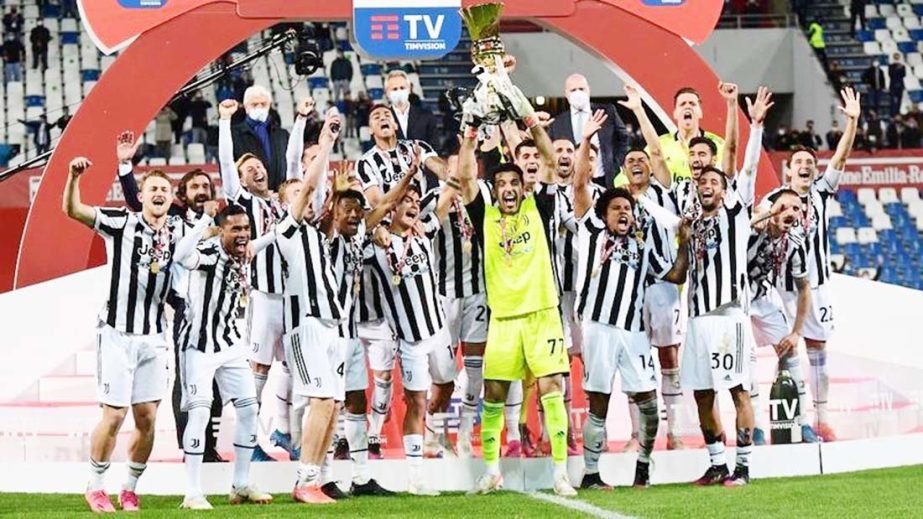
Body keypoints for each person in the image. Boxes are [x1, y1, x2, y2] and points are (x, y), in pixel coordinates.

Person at [62, 157, 211, 513]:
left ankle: (129, 488)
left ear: (171, 196)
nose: (158, 193)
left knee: (147, 420)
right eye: (152, 189)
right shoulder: (120, 222)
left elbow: (208, 238)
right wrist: (73, 177)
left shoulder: (178, 230)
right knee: (113, 416)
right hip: (116, 333)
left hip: (155, 337)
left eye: (164, 189)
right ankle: (95, 486)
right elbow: (73, 210)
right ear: (140, 196)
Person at [460, 77, 577, 497]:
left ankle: (561, 473)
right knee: (492, 395)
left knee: (552, 390)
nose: (508, 189)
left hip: (543, 314)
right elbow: (465, 175)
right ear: (495, 189)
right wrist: (470, 131)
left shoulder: (539, 206)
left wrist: (525, 113)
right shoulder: (484, 214)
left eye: (514, 183)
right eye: (502, 184)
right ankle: (492, 470)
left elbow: (547, 156)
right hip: (504, 320)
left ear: (522, 187)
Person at [571, 109, 692, 489]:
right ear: (603, 215)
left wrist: (684, 243)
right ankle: (592, 473)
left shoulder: (641, 244)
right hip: (599, 327)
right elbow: (579, 187)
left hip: (634, 331)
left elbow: (673, 274)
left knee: (649, 403)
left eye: (628, 208)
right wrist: (587, 140)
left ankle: (643, 463)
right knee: (599, 403)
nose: (624, 212)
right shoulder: (591, 231)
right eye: (617, 209)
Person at [116, 133, 228, 463]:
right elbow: (137, 203)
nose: (201, 191)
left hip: (218, 310)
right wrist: (125, 167)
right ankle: (189, 446)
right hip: (185, 311)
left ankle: (209, 444)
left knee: (217, 379)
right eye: (194, 187)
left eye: (206, 186)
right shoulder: (175, 221)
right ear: (182, 194)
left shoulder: (223, 223)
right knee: (187, 375)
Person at [762, 89, 860, 443]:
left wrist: (852, 121)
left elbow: (842, 157)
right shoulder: (772, 200)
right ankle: (792, 418)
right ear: (788, 170)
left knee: (817, 348)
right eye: (799, 163)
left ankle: (821, 418)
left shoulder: (820, 192)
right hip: (778, 289)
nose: (805, 167)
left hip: (815, 285)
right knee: (784, 351)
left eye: (810, 163)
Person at [219, 96, 314, 461]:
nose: (256, 170)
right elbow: (227, 164)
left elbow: (292, 163)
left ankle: (282, 430)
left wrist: (302, 119)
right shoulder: (243, 203)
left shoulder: (278, 200)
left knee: (291, 365)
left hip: (292, 297)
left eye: (259, 165)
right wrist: (226, 122)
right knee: (259, 368)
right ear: (241, 180)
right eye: (249, 169)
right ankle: (251, 441)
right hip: (263, 297)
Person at [174, 205, 274, 510]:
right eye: (235, 229)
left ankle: (241, 484)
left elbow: (269, 238)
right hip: (198, 345)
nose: (243, 234)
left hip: (231, 345)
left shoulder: (243, 253)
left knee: (248, 410)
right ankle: (192, 492)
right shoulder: (209, 253)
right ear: (222, 231)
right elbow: (180, 256)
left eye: (246, 228)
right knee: (201, 414)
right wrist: (205, 221)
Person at [747, 190, 818, 445]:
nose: (790, 212)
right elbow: (732, 229)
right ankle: (755, 427)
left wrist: (797, 331)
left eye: (796, 209)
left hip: (763, 297)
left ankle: (802, 422)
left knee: (789, 352)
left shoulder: (794, 244)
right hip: (736, 300)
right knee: (748, 362)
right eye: (784, 207)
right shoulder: (753, 230)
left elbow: (804, 288)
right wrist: (766, 214)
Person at [549, 73, 630, 188]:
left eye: (581, 89)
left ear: (589, 90)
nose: (578, 93)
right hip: (573, 183)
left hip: (605, 179)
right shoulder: (557, 123)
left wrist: (615, 165)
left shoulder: (607, 112)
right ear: (566, 94)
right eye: (573, 90)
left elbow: (624, 138)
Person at [652, 86, 725, 182]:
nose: (687, 107)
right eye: (682, 104)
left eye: (692, 104)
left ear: (700, 112)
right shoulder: (659, 145)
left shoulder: (719, 145)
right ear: (675, 113)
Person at [231, 85, 293, 191]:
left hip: (278, 196)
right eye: (254, 104)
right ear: (246, 107)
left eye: (263, 104)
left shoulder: (282, 135)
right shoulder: (234, 134)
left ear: (269, 106)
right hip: (248, 196)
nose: (259, 107)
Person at [386, 70, 440, 149]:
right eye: (394, 89)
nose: (399, 91)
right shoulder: (382, 119)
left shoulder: (426, 115)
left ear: (409, 89)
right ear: (387, 92)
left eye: (402, 87)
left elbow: (435, 147)